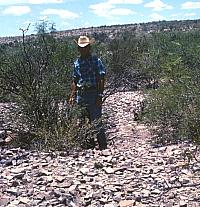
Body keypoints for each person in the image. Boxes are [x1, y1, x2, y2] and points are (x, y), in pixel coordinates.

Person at [69, 35, 107, 150]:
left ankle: (103, 147)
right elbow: (75, 80)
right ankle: (89, 148)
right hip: (81, 95)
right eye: (81, 47)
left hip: (93, 93)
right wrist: (72, 95)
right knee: (84, 121)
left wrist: (100, 95)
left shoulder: (96, 61)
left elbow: (101, 78)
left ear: (89, 47)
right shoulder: (77, 62)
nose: (83, 49)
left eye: (85, 47)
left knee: (97, 121)